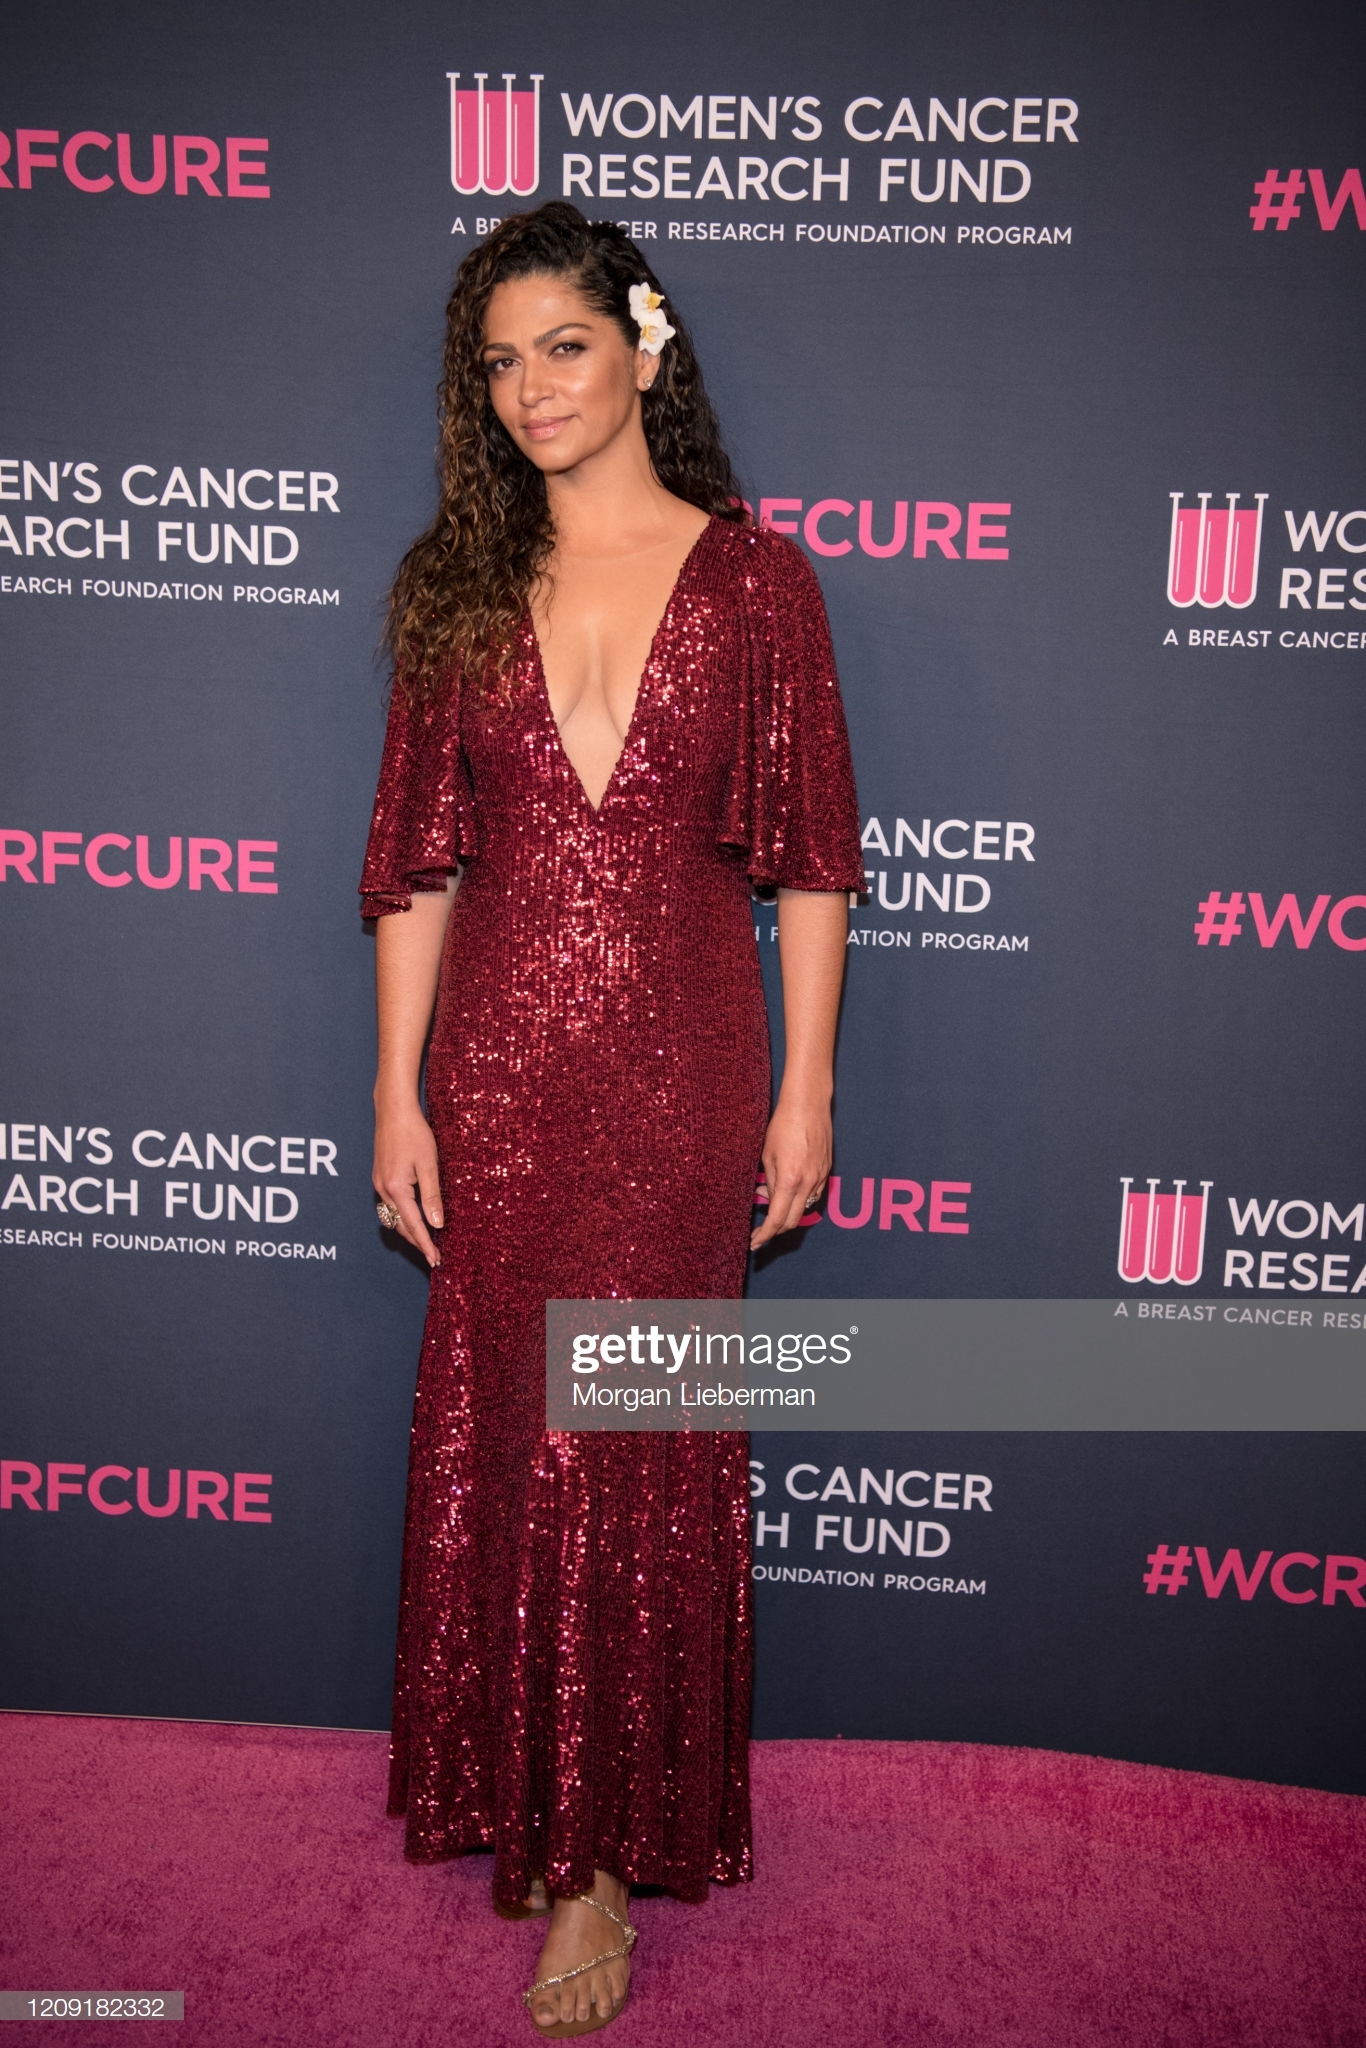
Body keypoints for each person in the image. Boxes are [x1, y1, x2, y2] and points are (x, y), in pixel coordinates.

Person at [360, 201, 863, 2037]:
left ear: (644, 346)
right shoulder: (452, 586)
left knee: (627, 1436)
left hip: (680, 1073)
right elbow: (414, 868)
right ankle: (535, 1806)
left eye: (562, 345)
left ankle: (598, 1857)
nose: (531, 388)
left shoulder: (758, 583)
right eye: (498, 363)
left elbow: (811, 863)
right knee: (515, 1431)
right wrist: (396, 1087)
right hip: (499, 1073)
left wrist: (806, 1085)